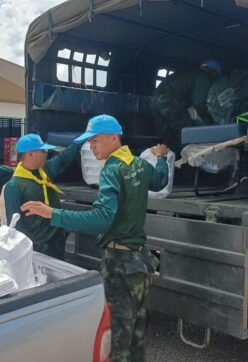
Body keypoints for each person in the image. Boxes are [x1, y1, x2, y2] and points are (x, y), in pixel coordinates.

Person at [21, 115, 169, 362]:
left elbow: (102, 218)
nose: (91, 146)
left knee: (118, 339)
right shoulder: (139, 165)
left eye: (95, 140)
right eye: (89, 141)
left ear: (113, 138)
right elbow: (160, 180)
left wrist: (52, 213)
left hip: (120, 265)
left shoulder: (112, 169)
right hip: (139, 264)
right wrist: (161, 158)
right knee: (137, 335)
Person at [4, 133, 80, 259]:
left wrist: (79, 141)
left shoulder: (44, 171)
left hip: (56, 242)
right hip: (38, 249)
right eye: (43, 151)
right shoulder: (14, 186)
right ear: (30, 154)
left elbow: (63, 158)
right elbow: (16, 226)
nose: (46, 154)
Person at [150, 59, 222, 150]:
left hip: (155, 101)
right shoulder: (203, 76)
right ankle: (188, 157)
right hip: (170, 102)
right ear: (214, 72)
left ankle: (167, 156)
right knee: (187, 132)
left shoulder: (190, 73)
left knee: (167, 135)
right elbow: (199, 103)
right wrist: (210, 122)